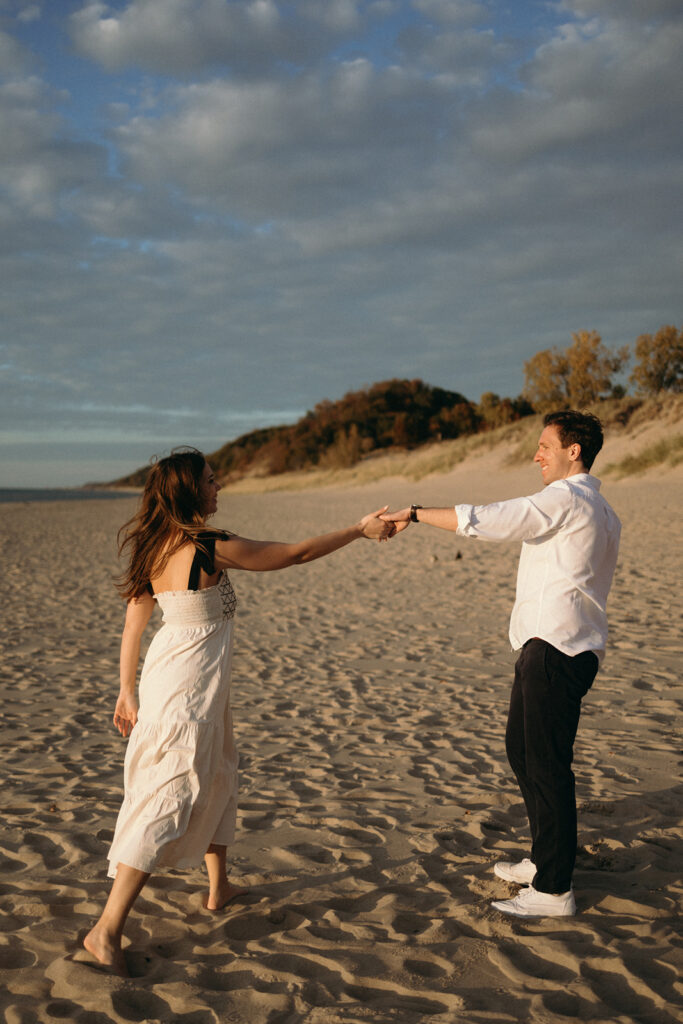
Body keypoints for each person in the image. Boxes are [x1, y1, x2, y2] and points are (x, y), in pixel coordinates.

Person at [84, 448, 394, 974]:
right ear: (189, 490)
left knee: (221, 772)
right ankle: (105, 930)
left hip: (187, 681)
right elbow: (293, 554)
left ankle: (219, 886)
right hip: (186, 690)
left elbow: (136, 620)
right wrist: (357, 531)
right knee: (169, 793)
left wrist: (126, 690)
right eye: (210, 479)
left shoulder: (156, 544)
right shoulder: (207, 546)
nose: (218, 484)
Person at [382, 411, 621, 918]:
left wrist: (417, 513)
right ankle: (543, 859)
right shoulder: (601, 509)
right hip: (555, 646)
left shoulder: (569, 498)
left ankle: (555, 890)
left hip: (558, 648)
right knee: (522, 751)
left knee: (547, 765)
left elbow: (494, 518)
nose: (536, 455)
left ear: (573, 451)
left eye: (545, 446)